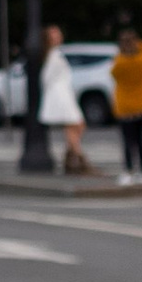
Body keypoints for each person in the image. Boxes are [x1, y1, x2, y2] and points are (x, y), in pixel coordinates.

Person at [35, 22, 89, 175]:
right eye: (54, 34)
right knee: (74, 125)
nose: (58, 37)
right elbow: (46, 78)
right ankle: (79, 159)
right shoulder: (52, 55)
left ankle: (71, 158)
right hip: (60, 95)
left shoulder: (55, 53)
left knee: (76, 126)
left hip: (64, 94)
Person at [112, 16, 142, 185]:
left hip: (124, 106)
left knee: (127, 141)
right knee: (141, 140)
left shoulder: (120, 62)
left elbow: (114, 75)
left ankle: (128, 170)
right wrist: (139, 42)